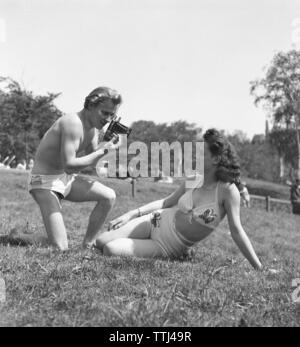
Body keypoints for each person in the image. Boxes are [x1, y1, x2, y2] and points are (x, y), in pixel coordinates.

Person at [95, 129, 262, 270]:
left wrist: (259, 268)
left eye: (201, 153)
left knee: (111, 249)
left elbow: (237, 231)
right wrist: (132, 214)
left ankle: (181, 253)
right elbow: (166, 202)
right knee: (101, 241)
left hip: (167, 245)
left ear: (216, 159)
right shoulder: (194, 177)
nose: (195, 156)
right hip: (155, 221)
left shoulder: (227, 190)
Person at [7, 86, 122, 250]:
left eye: (112, 115)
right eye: (104, 113)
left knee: (108, 196)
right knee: (60, 247)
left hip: (64, 179)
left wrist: (107, 145)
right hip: (44, 182)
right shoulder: (72, 123)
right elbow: (70, 165)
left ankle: (87, 244)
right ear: (90, 105)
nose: (108, 119)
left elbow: (92, 161)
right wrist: (104, 150)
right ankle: (18, 236)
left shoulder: (94, 129)